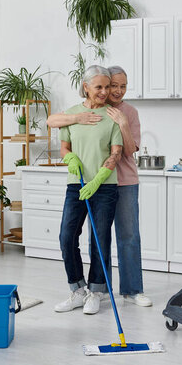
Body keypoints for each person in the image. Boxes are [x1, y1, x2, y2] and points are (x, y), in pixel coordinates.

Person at [48, 66, 152, 307]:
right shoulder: (81, 112)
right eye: (109, 85)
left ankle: (131, 290)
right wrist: (76, 120)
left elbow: (127, 150)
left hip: (119, 181)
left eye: (119, 86)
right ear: (89, 87)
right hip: (84, 182)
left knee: (124, 236)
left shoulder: (126, 113)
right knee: (74, 236)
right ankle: (91, 290)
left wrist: (123, 123)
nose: (112, 91)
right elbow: (54, 123)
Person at [53, 65, 123, 315]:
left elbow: (117, 152)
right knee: (66, 237)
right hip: (76, 185)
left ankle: (96, 291)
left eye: (107, 86)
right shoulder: (71, 115)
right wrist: (70, 158)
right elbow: (64, 147)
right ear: (86, 87)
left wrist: (101, 176)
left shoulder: (113, 116)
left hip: (104, 188)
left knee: (99, 240)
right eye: (99, 87)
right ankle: (77, 290)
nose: (104, 92)